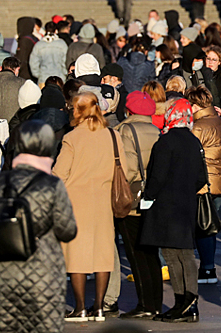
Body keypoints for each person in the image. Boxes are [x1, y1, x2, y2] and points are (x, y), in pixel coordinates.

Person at [0, 120, 77, 333]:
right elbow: (67, 229)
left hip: (5, 269)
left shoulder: (2, 181)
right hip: (44, 270)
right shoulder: (52, 184)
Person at [53, 92, 126, 322]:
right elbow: (123, 167)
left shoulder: (72, 138)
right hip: (104, 201)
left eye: (74, 107)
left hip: (76, 202)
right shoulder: (113, 136)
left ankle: (80, 308)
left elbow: (59, 174)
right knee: (103, 255)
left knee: (77, 256)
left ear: (80, 111)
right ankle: (100, 307)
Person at [139, 99, 208, 323]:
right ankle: (190, 302)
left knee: (171, 254)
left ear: (171, 115)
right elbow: (201, 178)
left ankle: (182, 302)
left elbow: (157, 177)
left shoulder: (165, 142)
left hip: (166, 205)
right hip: (186, 204)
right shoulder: (194, 141)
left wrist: (148, 197)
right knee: (185, 254)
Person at [113, 92, 163, 319]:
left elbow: (129, 167)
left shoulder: (125, 130)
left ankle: (145, 303)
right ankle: (156, 302)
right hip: (154, 197)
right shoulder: (158, 131)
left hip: (133, 199)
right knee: (151, 252)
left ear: (129, 110)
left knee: (136, 254)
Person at [186, 87, 221, 284]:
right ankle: (208, 268)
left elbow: (190, 153)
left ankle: (206, 269)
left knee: (203, 225)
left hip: (205, 183)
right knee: (208, 224)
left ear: (195, 105)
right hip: (220, 180)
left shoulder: (199, 126)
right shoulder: (217, 120)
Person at [30, 22, 68, 86]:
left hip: (43, 78)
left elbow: (33, 62)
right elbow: (65, 60)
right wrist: (65, 73)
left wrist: (38, 75)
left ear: (45, 30)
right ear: (56, 31)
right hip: (60, 78)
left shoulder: (39, 44)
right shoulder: (62, 44)